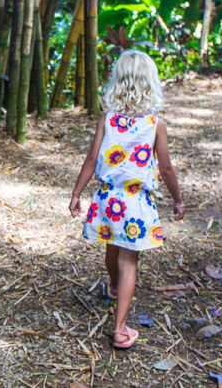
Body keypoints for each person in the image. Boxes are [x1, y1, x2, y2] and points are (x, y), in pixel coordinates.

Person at [68, 50, 185, 349]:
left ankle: (114, 285)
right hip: (135, 201)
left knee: (112, 245)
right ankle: (120, 328)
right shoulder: (155, 124)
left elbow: (92, 159)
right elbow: (166, 168)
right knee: (129, 259)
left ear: (117, 81)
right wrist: (177, 199)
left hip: (108, 198)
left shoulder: (107, 119)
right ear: (151, 83)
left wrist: (77, 193)